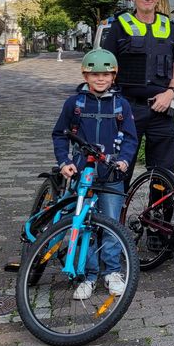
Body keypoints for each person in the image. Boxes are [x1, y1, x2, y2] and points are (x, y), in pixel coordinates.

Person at [51, 49, 138, 300]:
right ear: (85, 75)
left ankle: (111, 271)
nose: (100, 79)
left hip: (111, 175)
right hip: (83, 175)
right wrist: (65, 161)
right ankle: (88, 275)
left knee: (111, 223)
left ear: (114, 76)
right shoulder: (74, 104)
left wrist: (123, 160)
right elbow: (60, 134)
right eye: (94, 74)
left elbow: (131, 137)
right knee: (83, 222)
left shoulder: (121, 104)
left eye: (106, 74)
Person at [103, 0, 174, 177]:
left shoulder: (168, 25)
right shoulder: (119, 25)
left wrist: (171, 93)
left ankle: (159, 209)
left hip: (162, 109)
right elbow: (106, 65)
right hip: (127, 108)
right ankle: (117, 208)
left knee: (163, 172)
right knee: (119, 168)